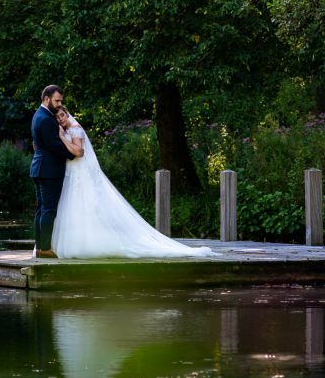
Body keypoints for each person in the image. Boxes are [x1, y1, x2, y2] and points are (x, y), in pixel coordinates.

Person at [51, 107, 213, 258]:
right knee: (80, 208)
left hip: (81, 174)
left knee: (90, 207)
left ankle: (93, 243)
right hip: (75, 174)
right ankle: (83, 241)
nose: (60, 119)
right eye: (57, 117)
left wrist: (61, 138)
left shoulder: (74, 128)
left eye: (62, 115)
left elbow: (79, 152)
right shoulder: (67, 129)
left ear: (67, 114)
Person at [30, 85, 82, 258]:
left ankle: (39, 246)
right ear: (46, 99)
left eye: (61, 101)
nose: (60, 104)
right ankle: (44, 248)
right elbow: (54, 145)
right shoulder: (46, 119)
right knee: (48, 210)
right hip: (49, 170)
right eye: (57, 100)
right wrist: (73, 153)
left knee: (41, 209)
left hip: (40, 168)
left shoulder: (39, 115)